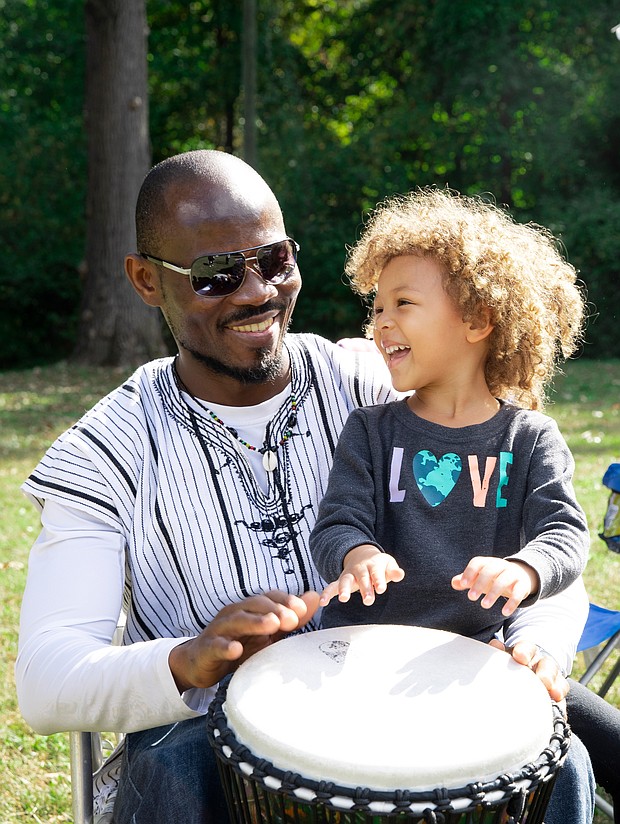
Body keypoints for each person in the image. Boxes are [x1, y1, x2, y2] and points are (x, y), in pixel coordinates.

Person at [14, 151, 599, 824]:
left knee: (565, 757)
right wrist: (187, 659)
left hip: (404, 713)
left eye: (274, 260)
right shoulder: (103, 452)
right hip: (214, 754)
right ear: (146, 281)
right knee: (171, 762)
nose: (255, 289)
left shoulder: (377, 383)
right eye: (215, 274)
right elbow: (47, 681)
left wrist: (537, 648)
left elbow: (542, 540)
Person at [310, 187, 589, 632]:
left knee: (588, 708)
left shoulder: (530, 439)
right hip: (367, 647)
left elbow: (564, 533)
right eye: (378, 306)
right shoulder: (370, 429)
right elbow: (335, 525)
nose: (381, 321)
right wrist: (357, 555)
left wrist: (526, 569)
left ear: (477, 321)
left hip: (474, 653)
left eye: (403, 303)